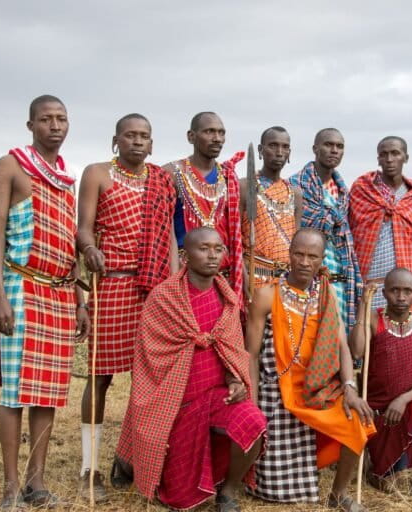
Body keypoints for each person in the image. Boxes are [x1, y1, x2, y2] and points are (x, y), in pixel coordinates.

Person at [112, 227, 266, 511]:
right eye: (203, 248)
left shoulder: (227, 299)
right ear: (184, 256)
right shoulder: (163, 298)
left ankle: (228, 491)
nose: (212, 255)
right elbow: (150, 360)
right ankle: (132, 464)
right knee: (183, 502)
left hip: (217, 398)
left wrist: (235, 380)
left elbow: (232, 350)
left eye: (218, 249)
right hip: (176, 406)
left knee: (255, 422)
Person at [0, 94, 88, 510]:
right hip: (21, 287)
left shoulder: (67, 177)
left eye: (62, 118)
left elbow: (71, 243)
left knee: (47, 392)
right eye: (46, 119)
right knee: (14, 392)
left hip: (61, 292)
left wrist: (81, 299)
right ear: (30, 125)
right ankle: (11, 486)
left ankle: (37, 482)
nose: (55, 125)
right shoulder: (11, 165)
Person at [75, 113, 178, 501]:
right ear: (115, 140)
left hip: (152, 288)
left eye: (145, 136)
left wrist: (171, 284)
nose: (138, 141)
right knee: (100, 377)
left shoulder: (161, 181)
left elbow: (168, 234)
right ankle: (90, 468)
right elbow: (83, 226)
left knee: (149, 381)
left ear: (152, 144)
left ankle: (132, 459)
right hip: (112, 283)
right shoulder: (97, 173)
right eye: (131, 135)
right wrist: (89, 248)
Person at [246, 228, 375, 512]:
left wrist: (350, 388)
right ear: (289, 255)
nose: (305, 262)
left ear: (321, 260)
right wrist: (252, 401)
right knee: (275, 492)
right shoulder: (267, 296)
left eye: (312, 256)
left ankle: (339, 494)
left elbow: (342, 345)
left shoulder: (326, 295)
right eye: (299, 254)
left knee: (359, 419)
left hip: (318, 388)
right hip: (275, 390)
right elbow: (251, 354)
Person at [349, 269, 412, 507]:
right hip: (377, 406)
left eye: (407, 291)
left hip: (410, 401)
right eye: (394, 290)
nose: (401, 297)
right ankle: (375, 466)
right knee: (384, 482)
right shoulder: (375, 320)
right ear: (384, 293)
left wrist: (404, 399)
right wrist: (363, 306)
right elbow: (357, 350)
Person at [164, 112, 244, 299]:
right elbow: (166, 232)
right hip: (184, 272)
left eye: (221, 133)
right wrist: (174, 278)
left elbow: (236, 237)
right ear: (191, 136)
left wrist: (242, 276)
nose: (217, 138)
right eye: (209, 132)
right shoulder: (172, 174)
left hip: (222, 275)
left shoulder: (229, 177)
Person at [289, 128, 361, 331]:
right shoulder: (295, 186)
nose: (334, 150)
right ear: (315, 148)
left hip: (340, 278)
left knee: (339, 341)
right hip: (308, 276)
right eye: (328, 145)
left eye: (339, 146)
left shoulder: (343, 193)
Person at [349, 136, 412, 309]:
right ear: (378, 159)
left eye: (395, 153)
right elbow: (350, 228)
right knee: (364, 328)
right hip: (366, 279)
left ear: (406, 157)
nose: (389, 159)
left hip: (403, 283)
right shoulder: (362, 189)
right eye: (384, 154)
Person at [239, 126, 302, 293]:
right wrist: (243, 277)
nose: (279, 152)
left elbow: (297, 243)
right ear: (261, 149)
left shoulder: (295, 193)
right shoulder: (245, 187)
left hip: (287, 280)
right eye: (273, 145)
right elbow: (233, 239)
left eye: (285, 147)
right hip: (254, 276)